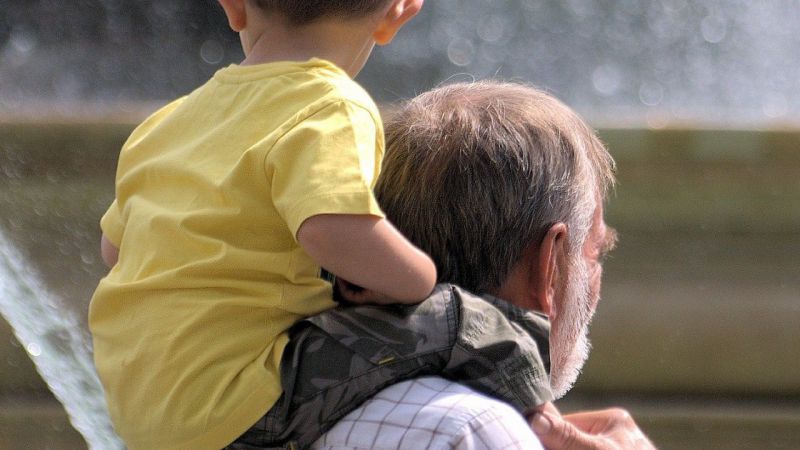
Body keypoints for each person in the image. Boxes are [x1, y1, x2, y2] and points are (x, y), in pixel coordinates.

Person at [89, 1, 440, 449]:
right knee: (462, 323)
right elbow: (330, 230)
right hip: (239, 400)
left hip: (139, 407)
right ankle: (533, 420)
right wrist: (421, 280)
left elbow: (114, 251)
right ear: (399, 12)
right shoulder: (332, 105)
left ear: (233, 7)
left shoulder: (168, 120)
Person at [308, 80, 655, 449]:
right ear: (550, 270)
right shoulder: (477, 432)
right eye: (595, 253)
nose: (597, 275)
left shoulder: (285, 392)